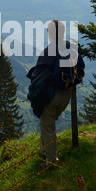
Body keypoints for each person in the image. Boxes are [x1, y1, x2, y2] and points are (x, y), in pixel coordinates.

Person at [27, 20, 73, 168]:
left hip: (51, 95)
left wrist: (35, 98)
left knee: (48, 127)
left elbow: (39, 79)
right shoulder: (70, 48)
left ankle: (51, 162)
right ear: (63, 33)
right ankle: (43, 151)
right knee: (46, 124)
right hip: (66, 96)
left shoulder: (47, 52)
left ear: (50, 34)